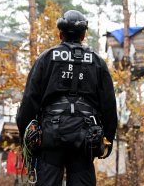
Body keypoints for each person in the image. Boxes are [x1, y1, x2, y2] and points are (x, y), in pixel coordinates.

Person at [16, 10, 118, 186]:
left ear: (60, 34)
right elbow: (109, 106)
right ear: (84, 35)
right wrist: (107, 140)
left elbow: (29, 102)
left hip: (50, 136)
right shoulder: (97, 62)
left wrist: (26, 136)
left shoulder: (46, 58)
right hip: (85, 138)